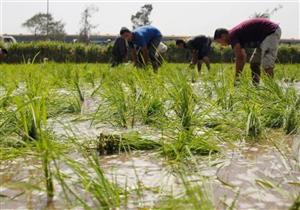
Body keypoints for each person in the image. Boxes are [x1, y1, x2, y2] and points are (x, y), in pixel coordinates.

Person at [214, 18, 281, 85]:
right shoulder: (234, 35)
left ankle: (270, 91)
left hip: (270, 32)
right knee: (254, 63)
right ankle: (256, 86)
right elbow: (243, 56)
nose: (221, 45)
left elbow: (239, 58)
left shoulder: (232, 36)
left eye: (219, 42)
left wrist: (237, 79)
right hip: (263, 37)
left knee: (267, 64)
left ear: (223, 36)